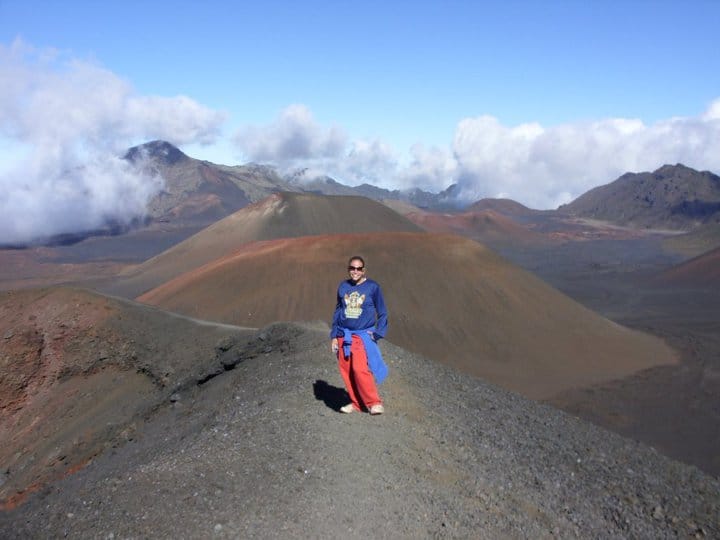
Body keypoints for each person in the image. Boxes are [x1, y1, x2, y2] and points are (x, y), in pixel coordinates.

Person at [330, 255, 389, 415]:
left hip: (361, 335)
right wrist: (334, 336)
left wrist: (377, 334)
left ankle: (374, 402)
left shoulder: (372, 287)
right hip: (343, 334)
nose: (355, 271)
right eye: (352, 268)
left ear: (364, 270)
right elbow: (338, 311)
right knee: (346, 370)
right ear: (348, 269)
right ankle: (356, 403)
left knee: (359, 369)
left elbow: (382, 312)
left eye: (358, 268)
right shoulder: (343, 287)